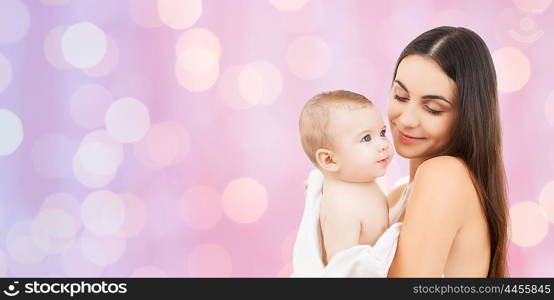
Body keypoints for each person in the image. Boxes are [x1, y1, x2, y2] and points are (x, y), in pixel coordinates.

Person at [303, 26, 509, 277]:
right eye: (400, 96)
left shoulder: (445, 175)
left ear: (467, 117)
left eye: (433, 108)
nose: (407, 119)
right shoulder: (394, 196)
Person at [297, 90, 394, 266]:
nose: (383, 145)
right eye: (366, 138)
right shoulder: (341, 206)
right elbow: (342, 269)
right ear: (330, 160)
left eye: (382, 133)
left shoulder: (360, 181)